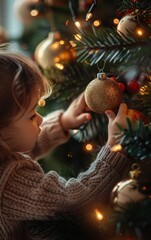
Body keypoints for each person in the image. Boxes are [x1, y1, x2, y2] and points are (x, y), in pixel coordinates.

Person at [0, 49, 135, 240]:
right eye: (31, 115)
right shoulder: (8, 185)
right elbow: (75, 201)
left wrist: (62, 123)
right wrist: (114, 149)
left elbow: (24, 146)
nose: (39, 120)